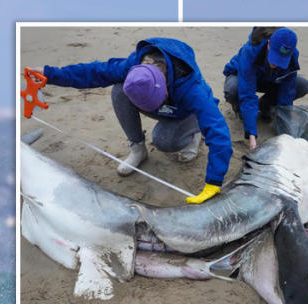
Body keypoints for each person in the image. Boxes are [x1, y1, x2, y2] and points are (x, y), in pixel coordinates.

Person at [38, 38, 231, 204]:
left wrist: (214, 182)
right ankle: (138, 148)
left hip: (185, 113)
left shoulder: (192, 89)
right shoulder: (133, 66)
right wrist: (49, 74)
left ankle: (194, 134)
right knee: (119, 90)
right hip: (161, 108)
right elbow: (93, 72)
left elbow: (218, 130)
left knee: (163, 140)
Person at [222, 27, 308, 151]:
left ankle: (266, 106)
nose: (276, 63)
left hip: (269, 79)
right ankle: (240, 109)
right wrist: (251, 136)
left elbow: (287, 92)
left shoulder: (292, 56)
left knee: (301, 85)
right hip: (242, 76)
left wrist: (285, 128)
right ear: (269, 43)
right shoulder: (250, 52)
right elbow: (247, 93)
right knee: (233, 89)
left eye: (281, 60)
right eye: (274, 57)